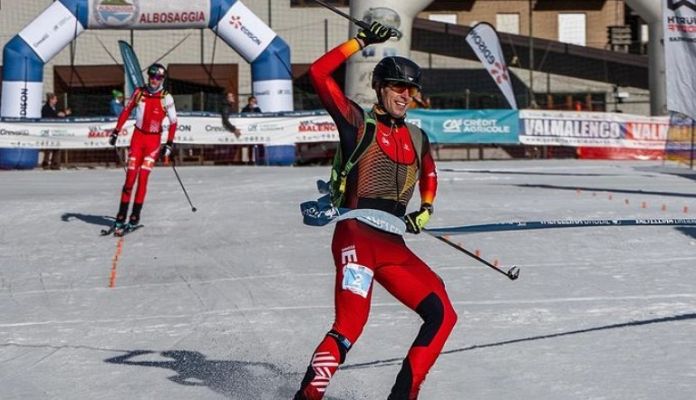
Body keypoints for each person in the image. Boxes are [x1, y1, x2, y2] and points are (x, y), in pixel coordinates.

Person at [294, 22, 457, 400]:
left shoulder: (416, 136)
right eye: (399, 87)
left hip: (392, 243)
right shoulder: (357, 124)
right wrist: (361, 41)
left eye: (411, 89)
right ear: (381, 88)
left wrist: (426, 208)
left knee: (443, 313)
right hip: (356, 237)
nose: (406, 95)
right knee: (350, 326)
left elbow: (429, 171)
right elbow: (319, 73)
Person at [107, 63, 178, 233]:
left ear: (162, 79)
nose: (154, 80)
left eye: (159, 78)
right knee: (130, 178)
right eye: (152, 76)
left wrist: (169, 143)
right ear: (149, 77)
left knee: (143, 178)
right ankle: (121, 216)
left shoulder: (166, 97)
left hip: (153, 142)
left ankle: (134, 217)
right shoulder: (139, 93)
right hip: (138, 140)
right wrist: (116, 131)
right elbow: (126, 111)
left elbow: (174, 122)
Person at [40, 92, 72, 170]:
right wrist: (62, 114)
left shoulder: (55, 108)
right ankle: (46, 163)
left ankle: (55, 164)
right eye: (55, 99)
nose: (56, 101)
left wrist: (63, 114)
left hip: (56, 130)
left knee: (57, 147)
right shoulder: (45, 108)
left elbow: (59, 115)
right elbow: (52, 116)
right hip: (48, 130)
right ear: (51, 100)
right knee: (48, 147)